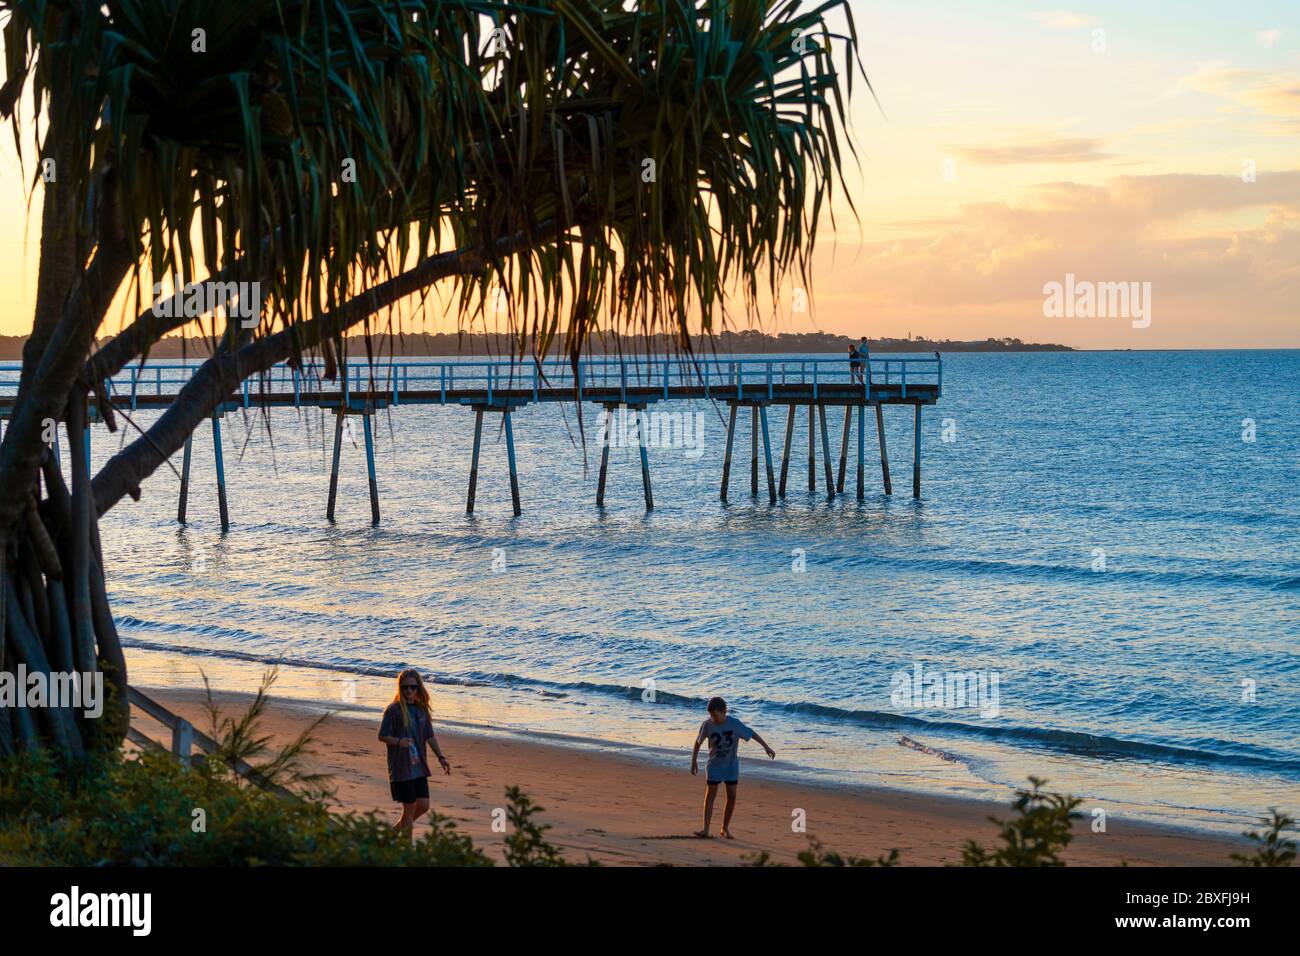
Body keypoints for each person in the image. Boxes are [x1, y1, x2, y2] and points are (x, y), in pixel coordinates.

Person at [377, 669, 451, 837]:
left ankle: (393, 833)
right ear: (400, 689)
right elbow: (382, 735)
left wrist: (441, 757)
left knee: (423, 805)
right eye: (405, 688)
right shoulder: (393, 710)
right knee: (409, 808)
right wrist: (398, 742)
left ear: (419, 688)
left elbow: (430, 736)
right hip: (401, 768)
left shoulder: (421, 710)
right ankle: (407, 848)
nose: (409, 691)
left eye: (413, 687)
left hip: (418, 766)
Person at [690, 696, 775, 839]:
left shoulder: (734, 724)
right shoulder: (707, 725)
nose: (713, 718)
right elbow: (698, 742)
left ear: (724, 711)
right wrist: (694, 761)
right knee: (711, 795)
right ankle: (705, 829)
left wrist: (766, 747)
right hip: (714, 766)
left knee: (732, 796)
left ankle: (725, 828)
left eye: (716, 715)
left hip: (731, 766)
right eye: (711, 715)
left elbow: (752, 733)